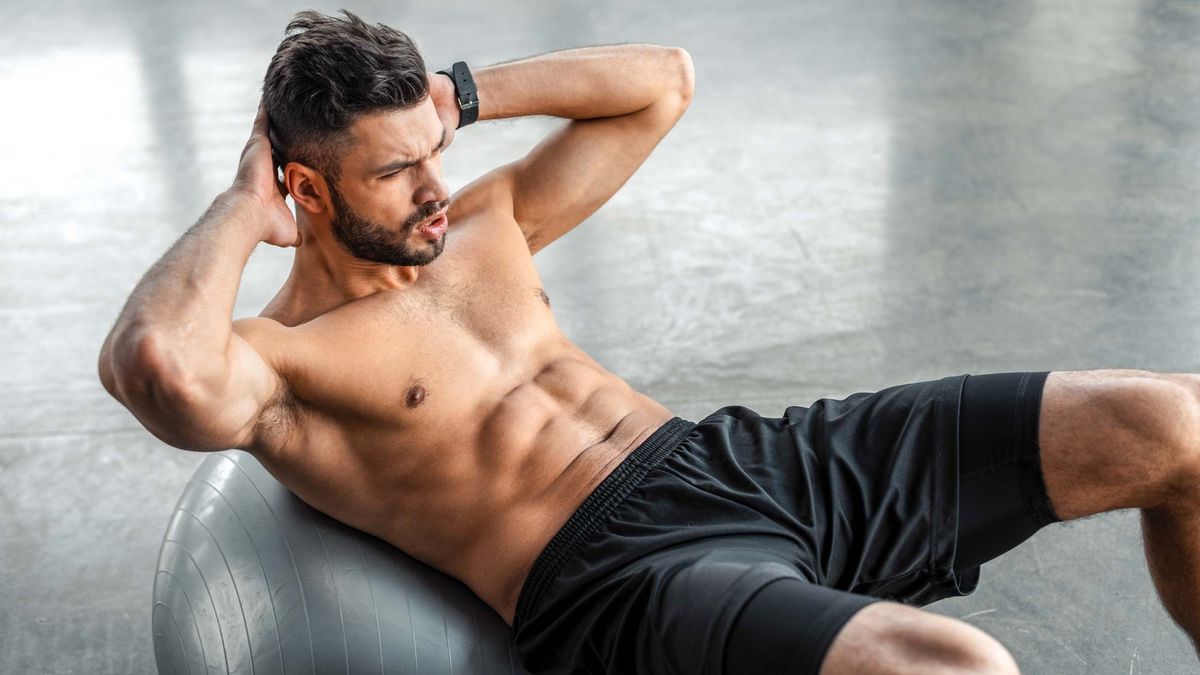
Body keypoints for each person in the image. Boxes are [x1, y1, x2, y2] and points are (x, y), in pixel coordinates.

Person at [97, 9, 1200, 675]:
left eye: (432, 153)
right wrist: (243, 206)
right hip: (623, 577)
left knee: (1173, 423)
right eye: (394, 173)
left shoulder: (482, 226)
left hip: (738, 461)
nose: (436, 192)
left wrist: (461, 97)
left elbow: (660, 83)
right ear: (305, 187)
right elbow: (155, 365)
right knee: (956, 666)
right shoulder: (285, 363)